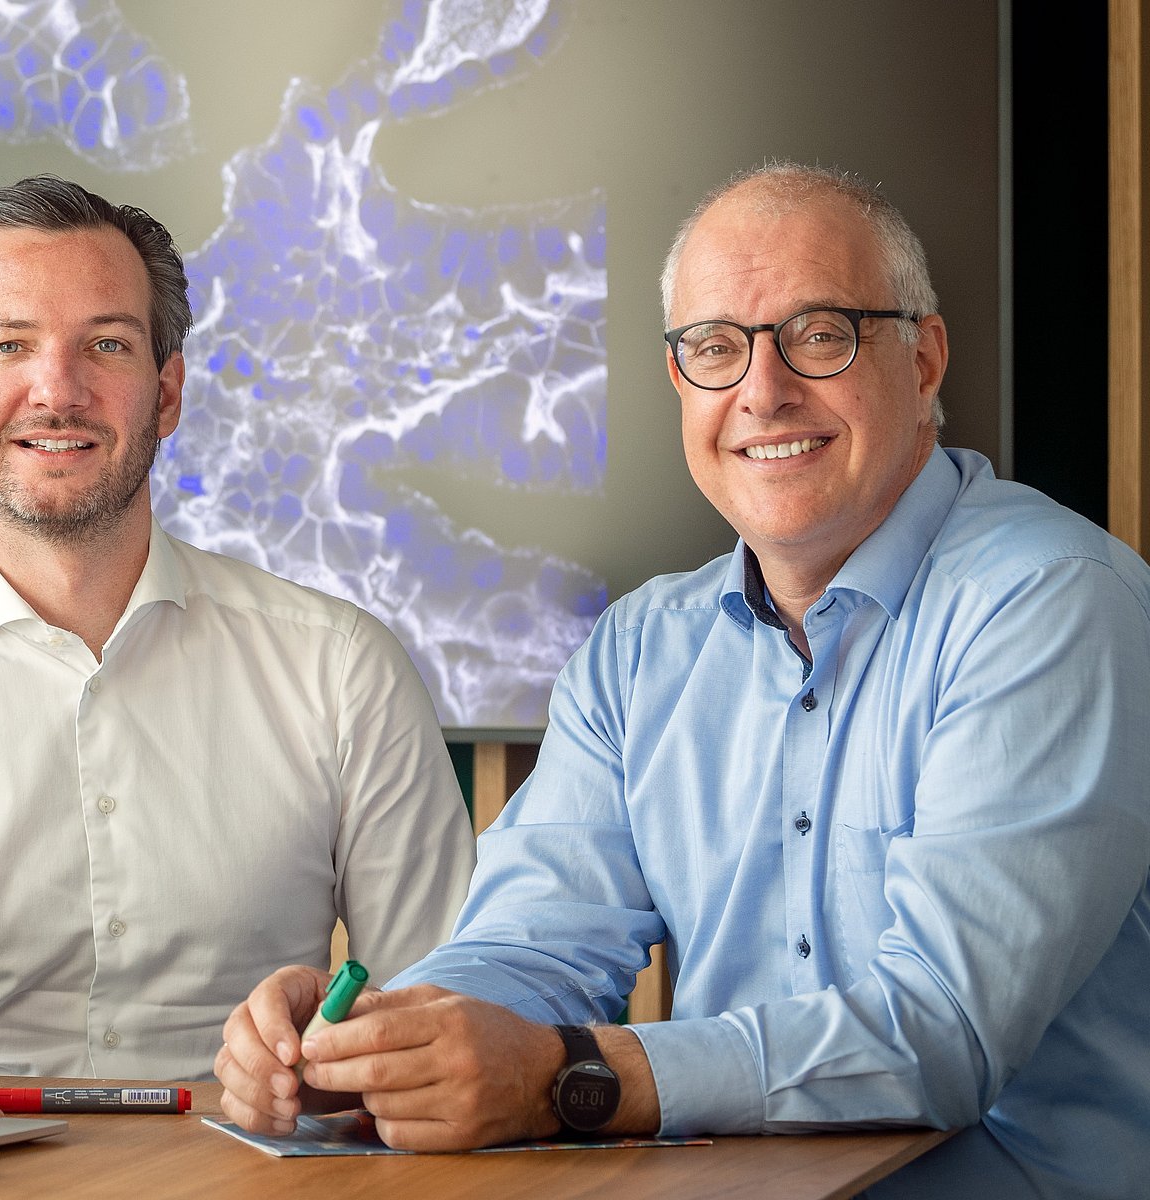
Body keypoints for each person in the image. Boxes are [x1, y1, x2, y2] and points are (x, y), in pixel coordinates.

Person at [215, 162, 1150, 1198]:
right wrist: (376, 1053)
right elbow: (528, 951)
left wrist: (564, 1080)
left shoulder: (1052, 603)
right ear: (680, 382)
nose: (762, 391)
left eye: (821, 333)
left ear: (923, 359)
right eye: (716, 348)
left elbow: (942, 1034)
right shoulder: (638, 652)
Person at [0, 175, 474, 1125]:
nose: (57, 389)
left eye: (106, 345)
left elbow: (447, 1008)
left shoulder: (342, 669)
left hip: (246, 1176)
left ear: (167, 392)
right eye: (10, 346)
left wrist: (347, 1061)